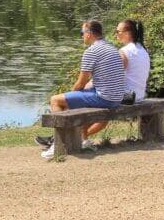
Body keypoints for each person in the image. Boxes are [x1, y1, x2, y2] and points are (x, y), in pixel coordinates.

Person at [38, 20, 125, 158]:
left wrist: (69, 95)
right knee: (73, 100)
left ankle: (57, 145)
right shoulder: (111, 48)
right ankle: (82, 140)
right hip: (116, 98)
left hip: (105, 98)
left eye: (82, 33)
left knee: (56, 100)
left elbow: (80, 83)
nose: (81, 37)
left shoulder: (91, 51)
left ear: (89, 34)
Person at [78, 19, 151, 144]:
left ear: (127, 33)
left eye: (118, 31)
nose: (115, 34)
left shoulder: (125, 52)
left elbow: (110, 77)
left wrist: (87, 85)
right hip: (138, 96)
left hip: (125, 96)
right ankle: (79, 137)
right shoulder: (142, 50)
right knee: (98, 102)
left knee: (86, 98)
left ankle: (75, 137)